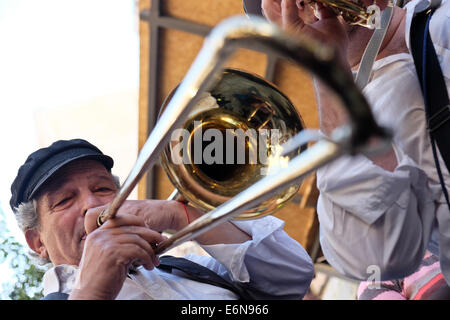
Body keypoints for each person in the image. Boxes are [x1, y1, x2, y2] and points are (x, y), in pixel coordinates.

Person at [257, 0, 450, 284]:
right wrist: (326, 69)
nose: (299, 2)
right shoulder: (354, 122)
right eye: (287, 6)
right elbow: (378, 256)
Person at [9, 138, 314, 300]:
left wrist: (179, 214)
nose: (92, 205)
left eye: (102, 189)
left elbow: (292, 279)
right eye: (64, 200)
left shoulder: (191, 268)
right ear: (37, 242)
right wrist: (94, 292)